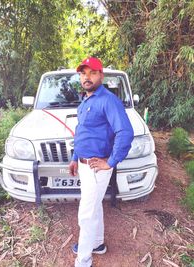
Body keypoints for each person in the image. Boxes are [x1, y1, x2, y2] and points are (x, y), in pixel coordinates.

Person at [69, 57, 134, 267]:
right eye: (83, 73)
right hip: (84, 164)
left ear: (101, 76)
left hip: (97, 167)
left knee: (86, 214)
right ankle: (97, 244)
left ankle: (84, 260)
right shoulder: (86, 99)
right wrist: (74, 158)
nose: (87, 77)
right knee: (93, 207)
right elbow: (82, 131)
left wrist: (111, 162)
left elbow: (125, 132)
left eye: (92, 73)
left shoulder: (108, 100)